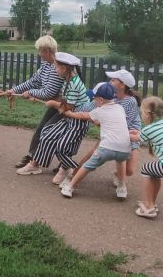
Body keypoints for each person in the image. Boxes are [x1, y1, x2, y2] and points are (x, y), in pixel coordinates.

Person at [16, 52, 90, 185]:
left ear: (63, 69)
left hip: (78, 121)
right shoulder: (68, 80)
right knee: (46, 134)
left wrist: (53, 103)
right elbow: (64, 100)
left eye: (56, 67)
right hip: (69, 117)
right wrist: (38, 98)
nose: (54, 70)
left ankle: (68, 168)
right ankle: (34, 165)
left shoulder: (74, 83)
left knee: (62, 145)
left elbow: (69, 106)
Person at [58, 82, 131, 199]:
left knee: (87, 166)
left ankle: (70, 187)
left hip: (107, 148)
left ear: (101, 99)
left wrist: (69, 113)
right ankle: (122, 188)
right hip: (125, 149)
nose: (94, 101)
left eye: (95, 99)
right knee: (121, 161)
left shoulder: (99, 111)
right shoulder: (120, 108)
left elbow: (83, 115)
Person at [10, 35, 65, 168]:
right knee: (43, 130)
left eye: (40, 50)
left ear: (47, 51)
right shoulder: (46, 64)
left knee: (54, 133)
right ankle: (32, 157)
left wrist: (30, 93)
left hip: (67, 106)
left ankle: (63, 164)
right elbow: (34, 81)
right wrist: (14, 90)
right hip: (56, 104)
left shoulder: (58, 67)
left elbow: (48, 93)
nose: (38, 54)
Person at [105, 69, 142, 189]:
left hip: (131, 136)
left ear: (122, 85)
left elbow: (124, 124)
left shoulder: (131, 101)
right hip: (118, 135)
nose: (110, 81)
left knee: (130, 171)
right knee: (120, 159)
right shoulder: (113, 98)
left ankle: (118, 173)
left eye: (113, 80)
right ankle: (122, 184)